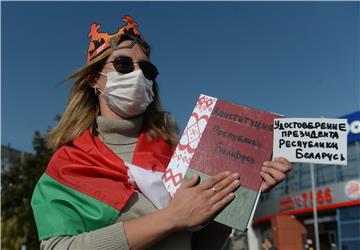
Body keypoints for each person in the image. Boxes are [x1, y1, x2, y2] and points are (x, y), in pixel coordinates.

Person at [31, 16, 293, 250]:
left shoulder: (182, 154)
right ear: (93, 78)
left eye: (147, 70)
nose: (138, 75)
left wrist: (239, 195)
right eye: (123, 64)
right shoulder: (67, 165)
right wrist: (171, 218)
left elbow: (199, 245)